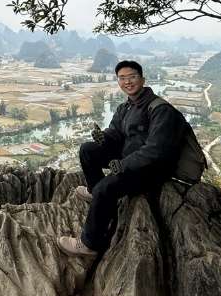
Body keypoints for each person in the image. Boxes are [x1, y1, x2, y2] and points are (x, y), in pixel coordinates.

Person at [57, 60, 188, 257]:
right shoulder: (125, 107)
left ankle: (89, 244)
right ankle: (96, 194)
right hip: (128, 159)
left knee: (106, 187)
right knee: (87, 150)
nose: (128, 82)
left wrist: (124, 165)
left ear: (142, 79)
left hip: (150, 169)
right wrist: (105, 138)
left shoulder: (160, 110)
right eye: (122, 78)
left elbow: (156, 151)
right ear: (118, 81)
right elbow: (115, 133)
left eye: (132, 77)